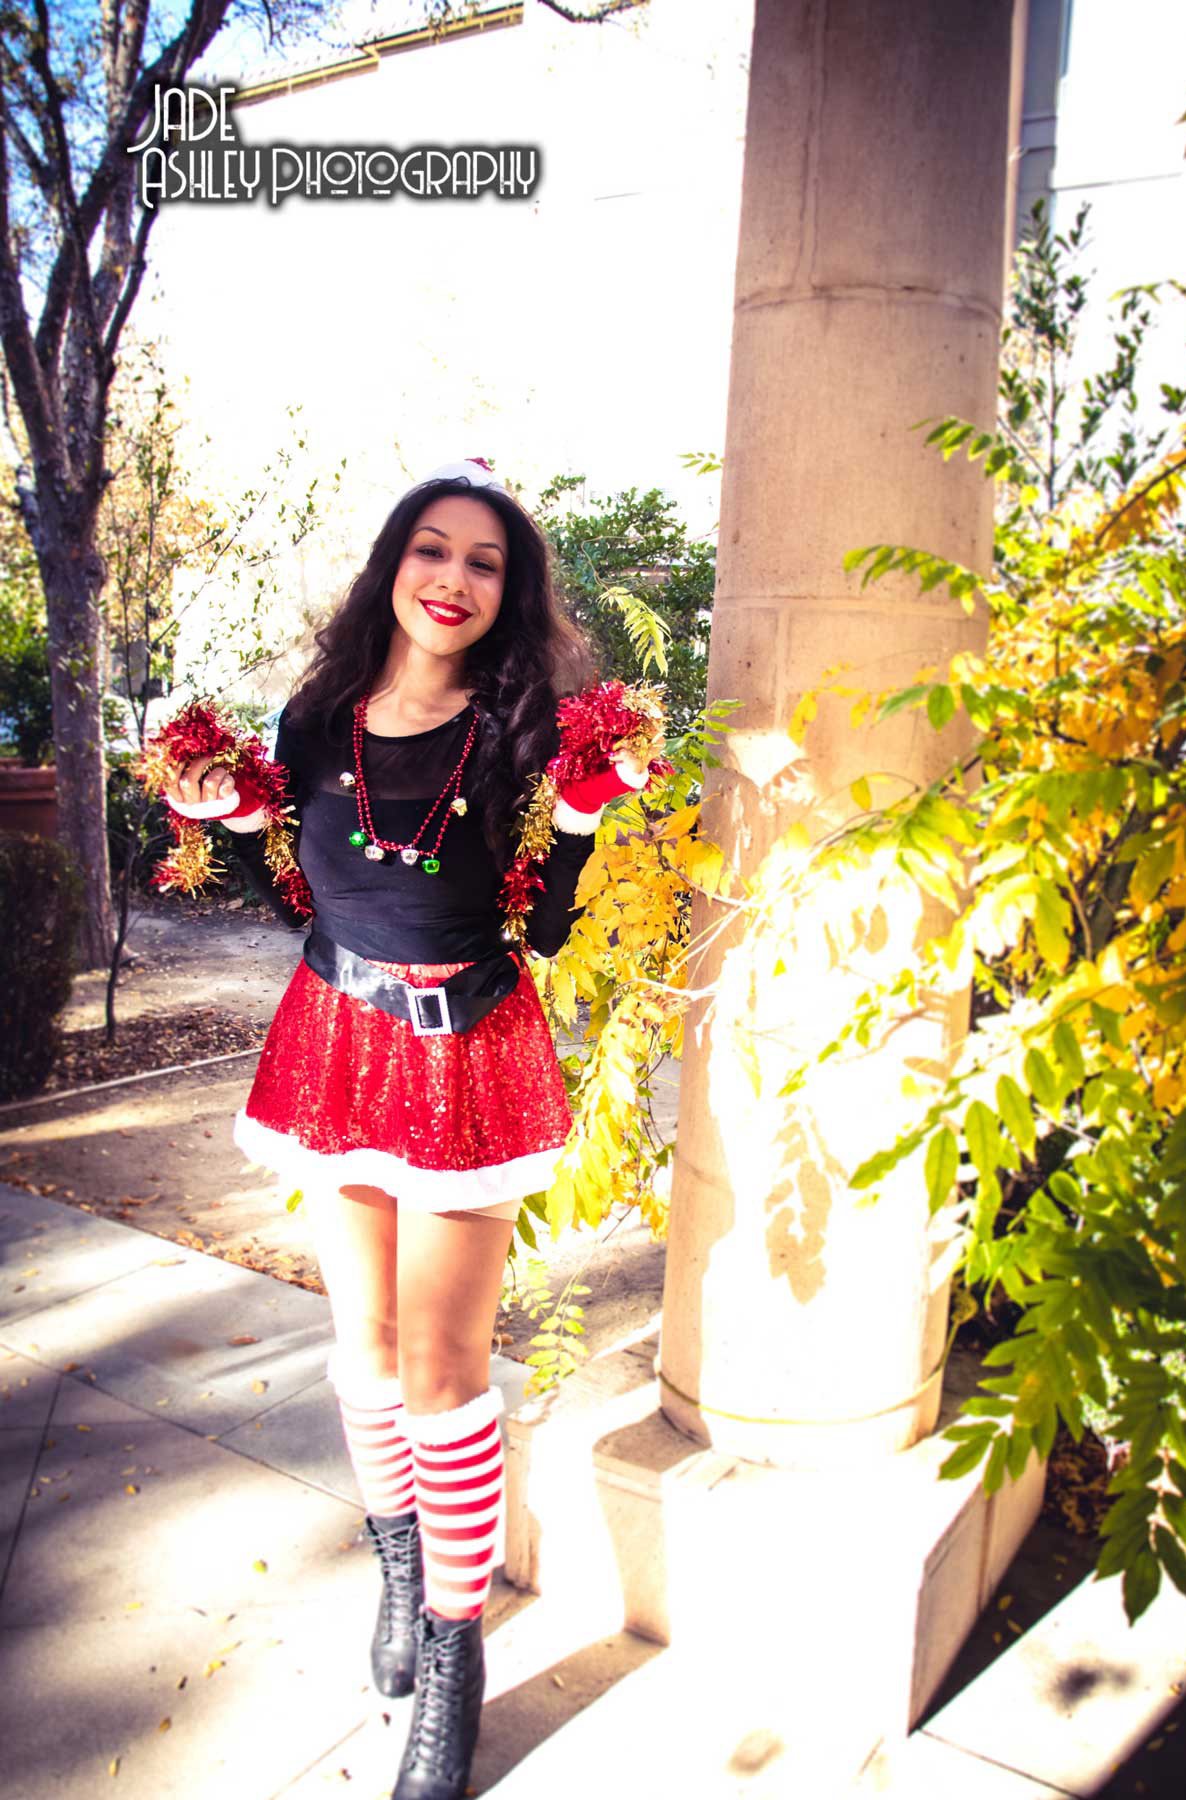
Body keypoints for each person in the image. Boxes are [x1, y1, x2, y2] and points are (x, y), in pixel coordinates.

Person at [160, 460, 663, 1800]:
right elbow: (296, 899)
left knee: (445, 1368)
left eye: (484, 563)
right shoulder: (315, 718)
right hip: (339, 1038)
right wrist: (225, 814)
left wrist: (580, 819)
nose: (451, 579)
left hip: (470, 1055)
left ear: (511, 593)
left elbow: (538, 924)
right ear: (395, 565)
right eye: (431, 551)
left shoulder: (523, 730)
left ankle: (452, 1655)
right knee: (364, 1347)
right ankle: (401, 1570)